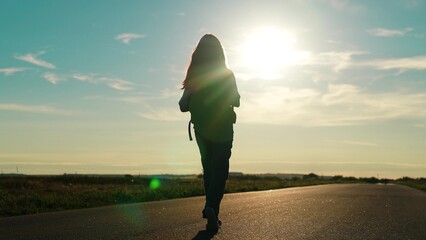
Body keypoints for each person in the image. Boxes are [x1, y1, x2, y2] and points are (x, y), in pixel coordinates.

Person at [179, 34, 240, 232]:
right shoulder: (226, 74)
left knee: (209, 170)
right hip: (222, 127)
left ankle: (211, 208)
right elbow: (236, 100)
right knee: (220, 170)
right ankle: (212, 207)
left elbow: (182, 105)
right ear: (220, 53)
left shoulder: (194, 76)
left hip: (201, 129)